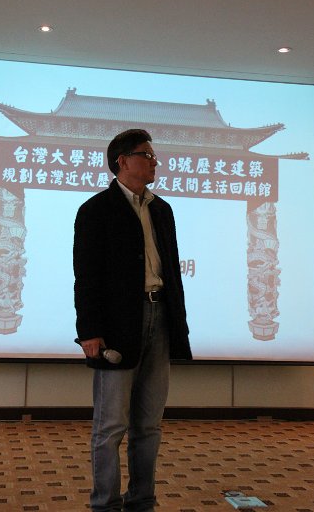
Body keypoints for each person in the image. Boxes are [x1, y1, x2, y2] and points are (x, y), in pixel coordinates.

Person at [73, 128, 192, 512]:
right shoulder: (95, 210)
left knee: (149, 425)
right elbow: (86, 276)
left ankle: (142, 500)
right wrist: (89, 331)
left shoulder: (162, 209)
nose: (155, 162)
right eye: (147, 155)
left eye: (154, 156)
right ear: (122, 161)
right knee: (110, 426)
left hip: (161, 318)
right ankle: (105, 504)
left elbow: (171, 272)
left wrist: (178, 325)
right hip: (118, 325)